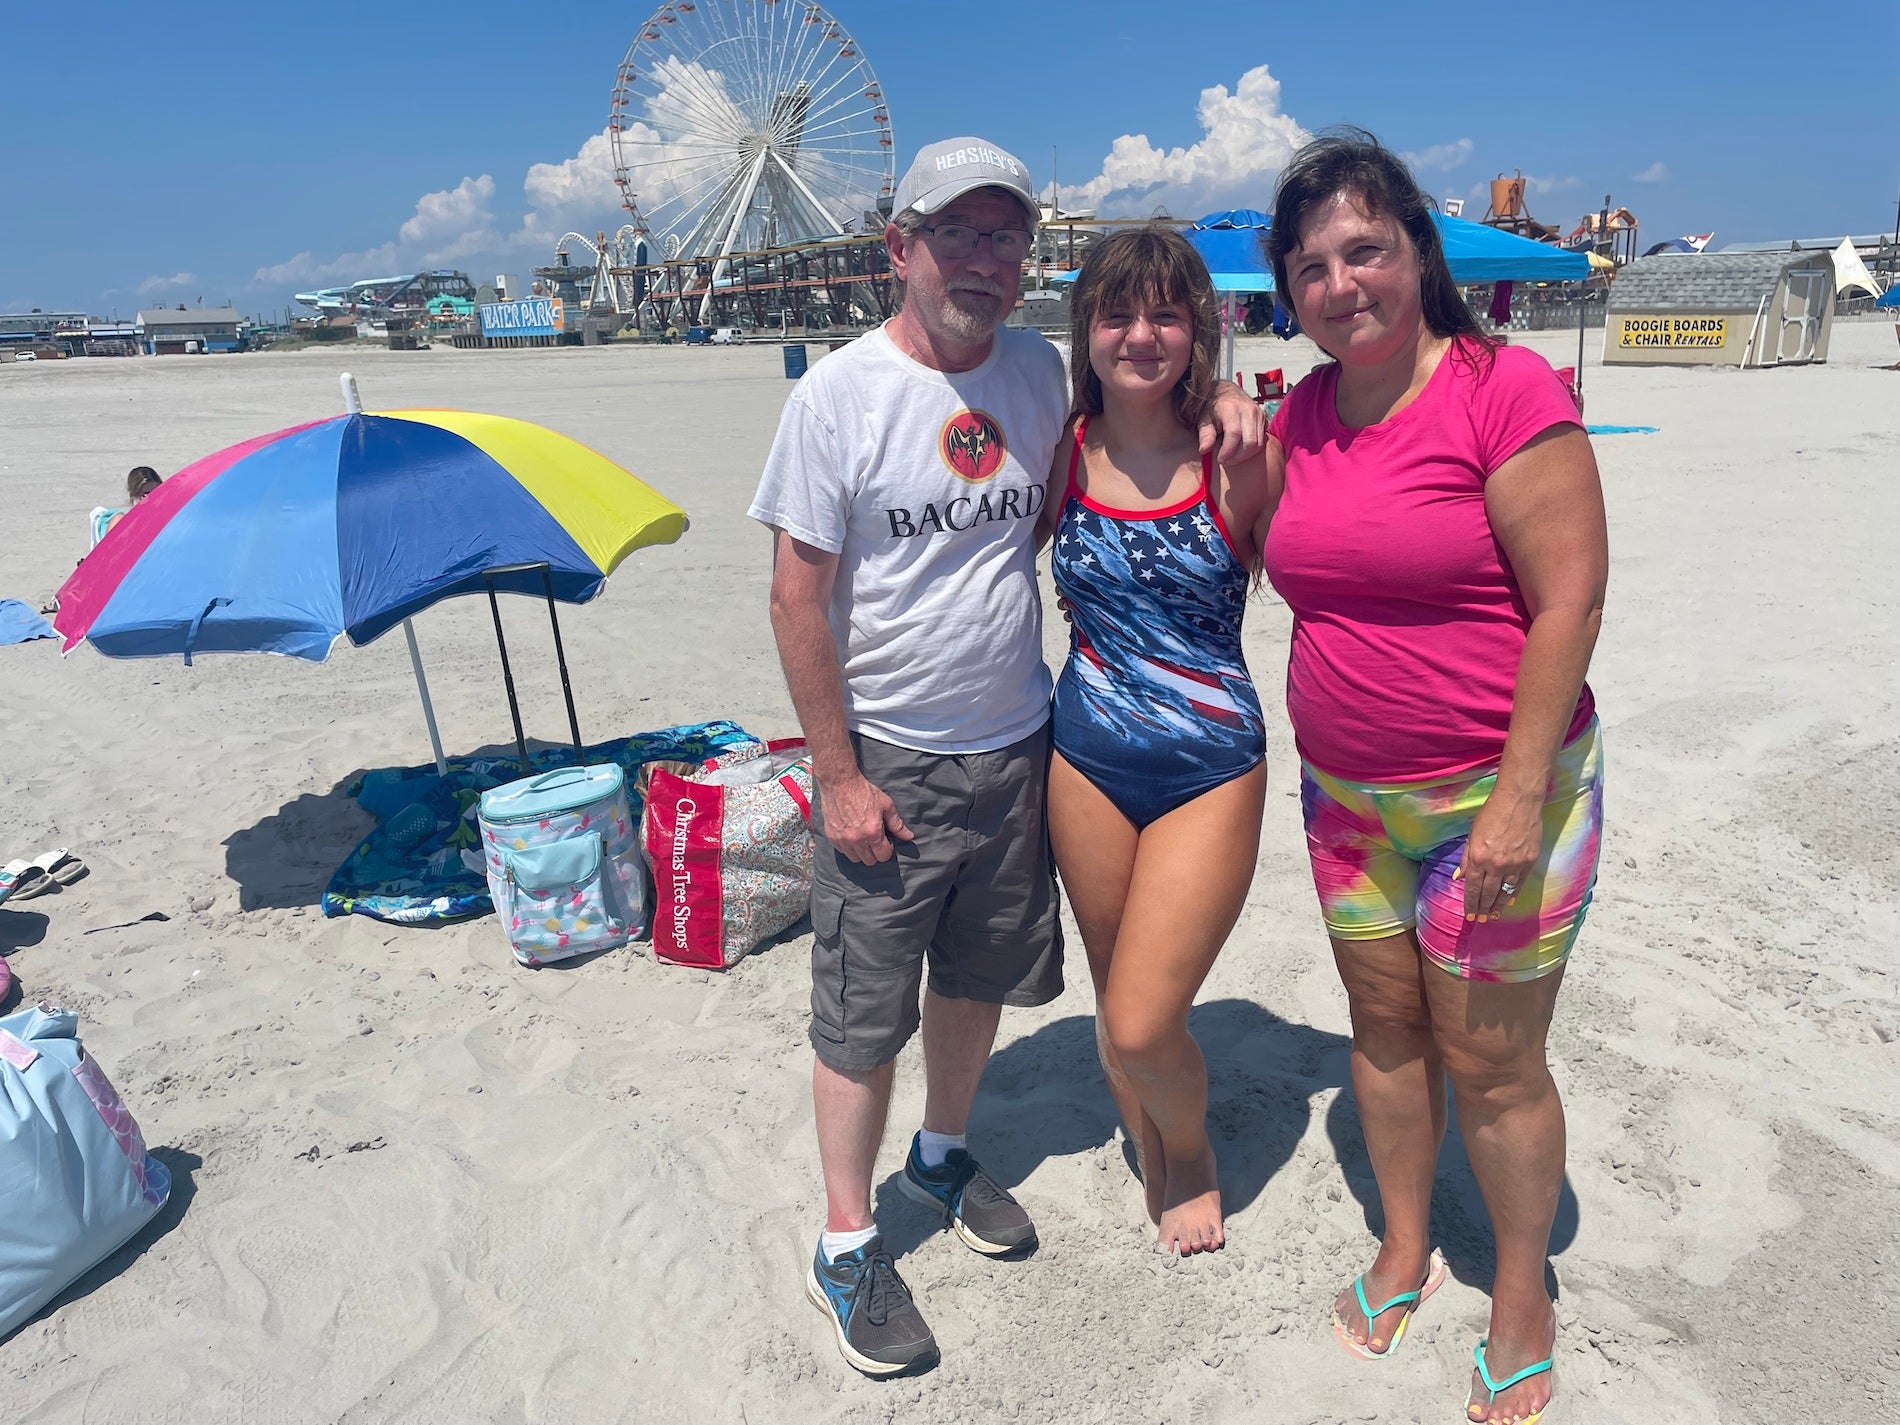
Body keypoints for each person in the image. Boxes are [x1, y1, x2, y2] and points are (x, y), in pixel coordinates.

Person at [750, 138, 1263, 1378]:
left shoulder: (1040, 379)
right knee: (861, 1013)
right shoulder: (835, 398)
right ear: (900, 247)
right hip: (892, 757)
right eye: (955, 236)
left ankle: (942, 1157)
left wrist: (1233, 400)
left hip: (1023, 743)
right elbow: (794, 598)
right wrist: (838, 773)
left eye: (1003, 238)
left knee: (976, 980)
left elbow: (1053, 521)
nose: (981, 261)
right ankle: (843, 1239)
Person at [1261, 131, 1607, 1425]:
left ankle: (1522, 1289)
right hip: (1348, 799)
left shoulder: (1501, 389)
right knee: (1388, 1033)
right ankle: (1406, 1244)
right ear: (1290, 293)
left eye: (1366, 250)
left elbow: (1569, 599)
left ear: (1418, 251)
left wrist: (1520, 794)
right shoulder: (1299, 415)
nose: (1343, 284)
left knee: (1495, 1059)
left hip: (1502, 797)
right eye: (1313, 267)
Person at [1037, 226, 1279, 1258]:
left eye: (1165, 313)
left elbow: (1345, 564)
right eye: (1117, 313)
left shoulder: (1240, 454)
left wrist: (1238, 401)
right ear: (1085, 327)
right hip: (1084, 750)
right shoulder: (1059, 449)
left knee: (1144, 1017)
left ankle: (1194, 1153)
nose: (1141, 335)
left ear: (1198, 328)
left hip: (1209, 764)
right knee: (1110, 985)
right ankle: (1148, 1134)